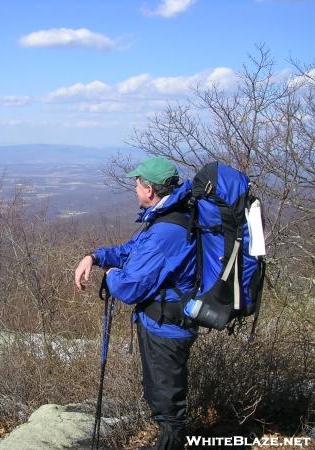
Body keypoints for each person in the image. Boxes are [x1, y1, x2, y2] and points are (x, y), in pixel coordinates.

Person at [74, 157, 197, 450]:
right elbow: (133, 251)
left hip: (166, 327)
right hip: (162, 321)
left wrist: (112, 273)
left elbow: (129, 287)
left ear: (150, 190)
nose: (134, 187)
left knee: (167, 402)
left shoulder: (166, 232)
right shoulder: (167, 217)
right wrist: (96, 256)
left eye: (137, 183)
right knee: (160, 394)